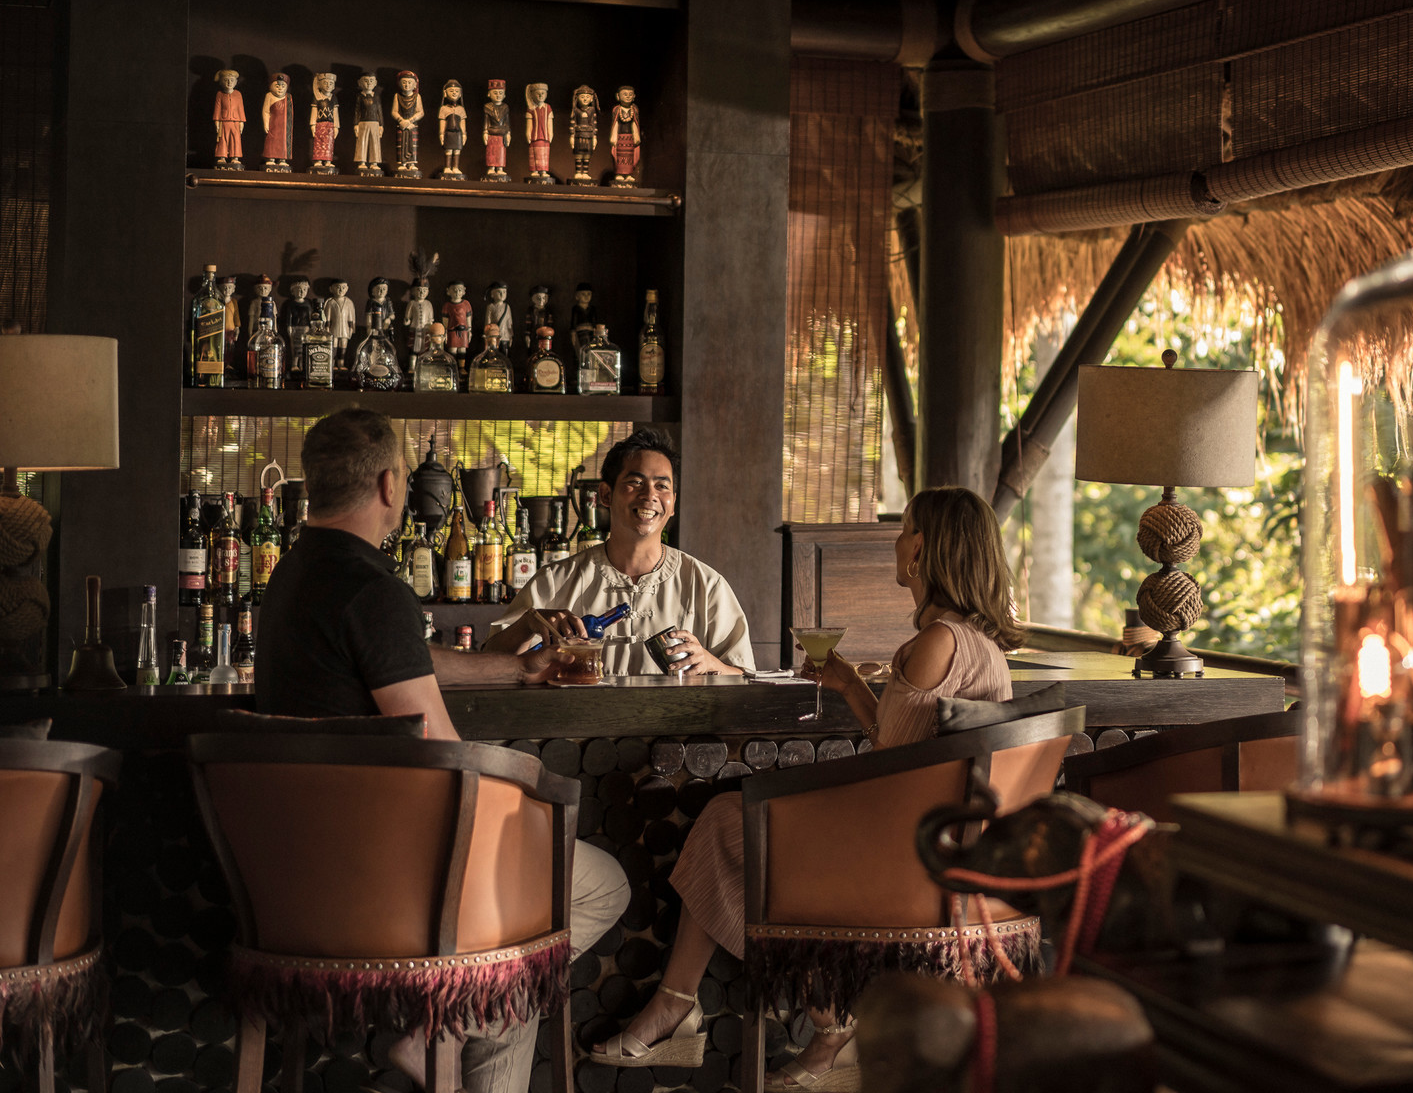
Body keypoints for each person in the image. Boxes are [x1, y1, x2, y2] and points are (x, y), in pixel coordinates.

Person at [586, 486, 1021, 1087]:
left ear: (920, 549)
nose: (894, 543)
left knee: (723, 823)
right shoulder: (979, 647)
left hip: (896, 866)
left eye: (903, 531)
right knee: (735, 829)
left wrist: (806, 797)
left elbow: (887, 774)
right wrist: (848, 686)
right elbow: (902, 749)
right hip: (938, 863)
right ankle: (817, 1025)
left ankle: (717, 1010)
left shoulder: (934, 645)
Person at [254, 408, 630, 1093]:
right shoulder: (374, 590)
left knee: (513, 928)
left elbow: (394, 663)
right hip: (389, 882)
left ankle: (442, 1032)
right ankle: (439, 1030)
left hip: (299, 873)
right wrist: (531, 803)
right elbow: (445, 765)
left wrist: (516, 669)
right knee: (589, 890)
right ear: (392, 484)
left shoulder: (293, 578)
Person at [485, 429, 753, 674]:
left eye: (662, 486)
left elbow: (746, 678)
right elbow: (489, 664)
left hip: (676, 727)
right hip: (580, 725)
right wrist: (527, 625)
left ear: (673, 504)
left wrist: (712, 664)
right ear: (605, 494)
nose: (650, 495)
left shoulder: (706, 584)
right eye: (635, 482)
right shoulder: (556, 580)